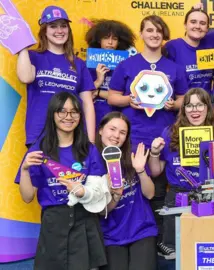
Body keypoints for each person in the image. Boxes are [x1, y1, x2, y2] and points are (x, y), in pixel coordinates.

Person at [107, 15, 188, 258]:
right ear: (141, 33)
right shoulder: (128, 65)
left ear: (165, 37)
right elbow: (112, 96)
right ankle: (132, 237)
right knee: (136, 189)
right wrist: (129, 100)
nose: (154, 34)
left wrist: (174, 104)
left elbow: (184, 99)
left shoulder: (174, 68)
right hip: (134, 137)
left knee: (162, 188)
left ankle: (160, 240)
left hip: (165, 137)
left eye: (159, 31)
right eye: (150, 30)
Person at [15, 92, 108, 269]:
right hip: (53, 224)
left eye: (74, 112)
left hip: (85, 220)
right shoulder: (39, 150)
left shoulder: (89, 149)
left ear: (80, 116)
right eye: (62, 111)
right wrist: (25, 170)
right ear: (53, 114)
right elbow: (27, 197)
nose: (68, 117)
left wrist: (82, 191)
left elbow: (99, 192)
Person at [148, 88, 214, 260]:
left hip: (208, 194)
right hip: (177, 196)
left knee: (206, 249)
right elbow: (156, 171)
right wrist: (154, 153)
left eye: (199, 105)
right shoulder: (169, 133)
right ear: (183, 110)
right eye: (189, 106)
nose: (194, 110)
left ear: (207, 108)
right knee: (176, 252)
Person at [16, 5, 97, 145]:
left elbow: (88, 104)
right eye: (53, 26)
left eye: (63, 26)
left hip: (71, 136)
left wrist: (90, 141)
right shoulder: (33, 56)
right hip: (40, 133)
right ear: (44, 30)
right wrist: (23, 44)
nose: (59, 31)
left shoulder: (79, 64)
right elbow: (25, 77)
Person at [95, 112, 157, 270]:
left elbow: (150, 194)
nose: (116, 136)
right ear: (101, 130)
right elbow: (102, 212)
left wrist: (141, 170)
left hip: (141, 230)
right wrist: (116, 194)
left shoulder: (133, 155)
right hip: (111, 235)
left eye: (122, 132)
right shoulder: (92, 162)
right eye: (112, 129)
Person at [85, 19, 135, 128]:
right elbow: (84, 95)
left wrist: (98, 93)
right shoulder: (89, 65)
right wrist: (98, 80)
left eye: (115, 39)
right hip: (94, 115)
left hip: (118, 116)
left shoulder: (126, 65)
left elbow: (127, 96)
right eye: (106, 38)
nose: (110, 42)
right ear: (98, 40)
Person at [165, 4, 214, 93]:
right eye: (193, 22)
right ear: (185, 25)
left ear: (207, 28)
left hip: (206, 104)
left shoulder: (211, 41)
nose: (197, 26)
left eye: (202, 23)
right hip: (182, 104)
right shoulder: (172, 47)